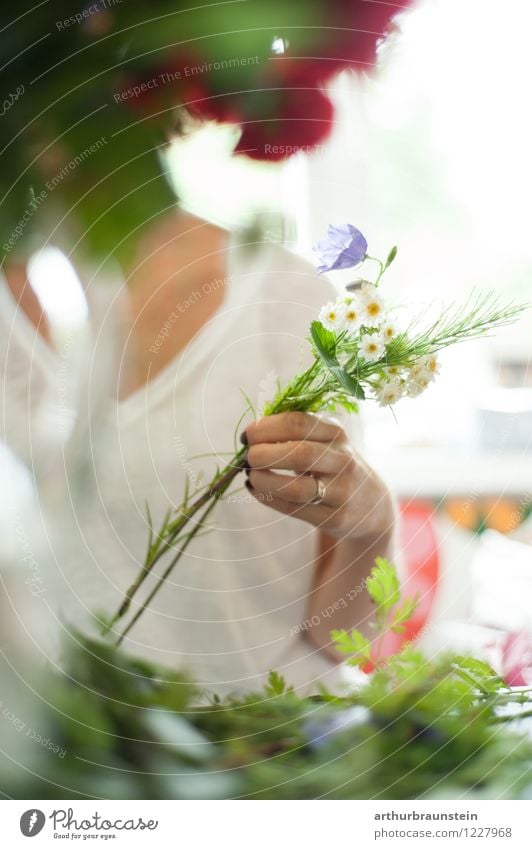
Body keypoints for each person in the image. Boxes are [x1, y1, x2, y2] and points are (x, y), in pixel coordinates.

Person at [0, 208, 395, 694]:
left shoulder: (282, 297)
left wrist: (372, 525)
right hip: (83, 753)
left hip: (272, 747)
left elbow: (350, 639)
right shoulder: (34, 301)